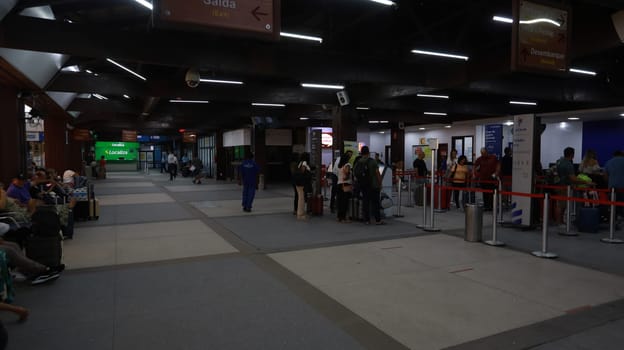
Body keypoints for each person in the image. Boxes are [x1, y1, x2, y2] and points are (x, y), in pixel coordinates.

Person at [554, 147, 592, 226]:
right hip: (564, 186)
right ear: (572, 154)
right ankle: (559, 222)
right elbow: (572, 178)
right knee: (562, 205)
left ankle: (559, 221)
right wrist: (586, 182)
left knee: (560, 204)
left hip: (558, 185)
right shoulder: (568, 164)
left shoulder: (559, 161)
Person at [357, 146, 384, 225]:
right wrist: (380, 183)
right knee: (375, 203)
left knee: (366, 202)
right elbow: (377, 173)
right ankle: (377, 220)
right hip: (374, 185)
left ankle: (367, 220)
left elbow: (356, 173)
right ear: (368, 152)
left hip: (364, 185)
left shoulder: (359, 161)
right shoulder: (372, 161)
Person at [604, 150, 624, 219]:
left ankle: (614, 220)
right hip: (622, 188)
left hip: (612, 188)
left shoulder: (608, 162)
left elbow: (606, 176)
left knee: (613, 206)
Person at [336, 151, 353, 223]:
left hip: (339, 184)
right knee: (344, 202)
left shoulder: (340, 166)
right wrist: (349, 175)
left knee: (340, 201)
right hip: (345, 185)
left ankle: (339, 217)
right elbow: (346, 175)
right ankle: (344, 218)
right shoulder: (347, 165)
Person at [294, 152, 312, 220]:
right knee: (301, 199)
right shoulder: (304, 163)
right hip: (302, 183)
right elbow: (303, 171)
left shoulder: (300, 162)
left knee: (300, 198)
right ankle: (300, 214)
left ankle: (300, 212)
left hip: (298, 182)